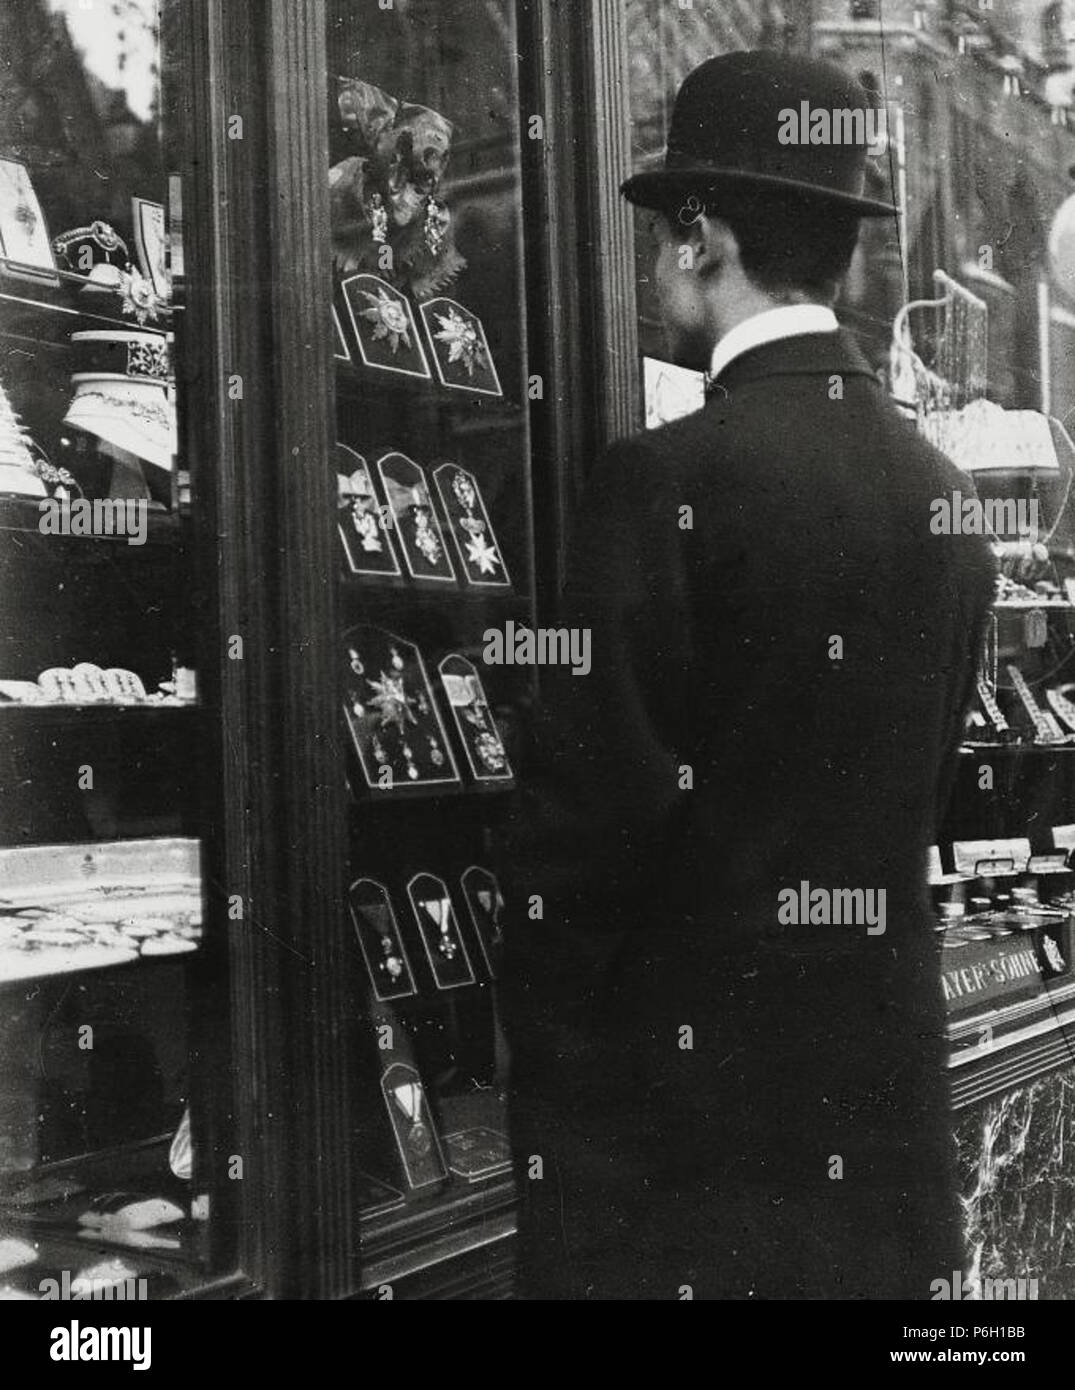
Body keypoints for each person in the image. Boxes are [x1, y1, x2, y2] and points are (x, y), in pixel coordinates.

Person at [496, 50, 996, 1300]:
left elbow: (587, 838)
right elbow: (914, 801)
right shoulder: (942, 500)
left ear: (698, 235)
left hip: (678, 1167)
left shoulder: (658, 483)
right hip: (877, 1141)